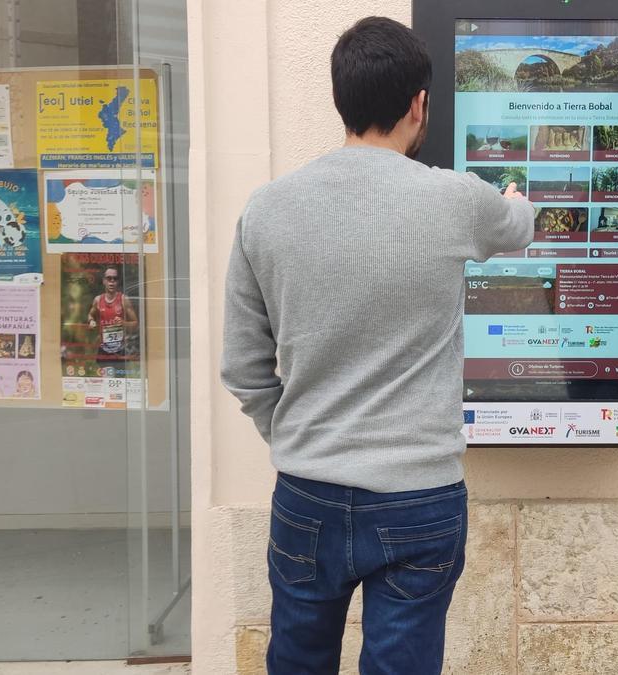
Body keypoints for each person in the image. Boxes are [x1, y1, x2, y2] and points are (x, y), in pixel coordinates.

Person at [221, 16, 533, 675]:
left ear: (343, 98)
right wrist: (512, 194)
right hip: (420, 494)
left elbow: (244, 367)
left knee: (298, 662)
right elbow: (521, 225)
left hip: (307, 489)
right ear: (420, 104)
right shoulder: (455, 199)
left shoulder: (266, 208)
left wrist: (294, 432)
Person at [87, 266, 138, 368]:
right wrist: (91, 321)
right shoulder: (98, 300)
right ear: (104, 281)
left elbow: (135, 323)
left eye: (115, 279)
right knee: (103, 382)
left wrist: (123, 323)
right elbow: (90, 315)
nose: (112, 281)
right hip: (103, 351)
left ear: (117, 282)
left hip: (120, 351)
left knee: (121, 381)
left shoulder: (123, 300)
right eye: (109, 278)